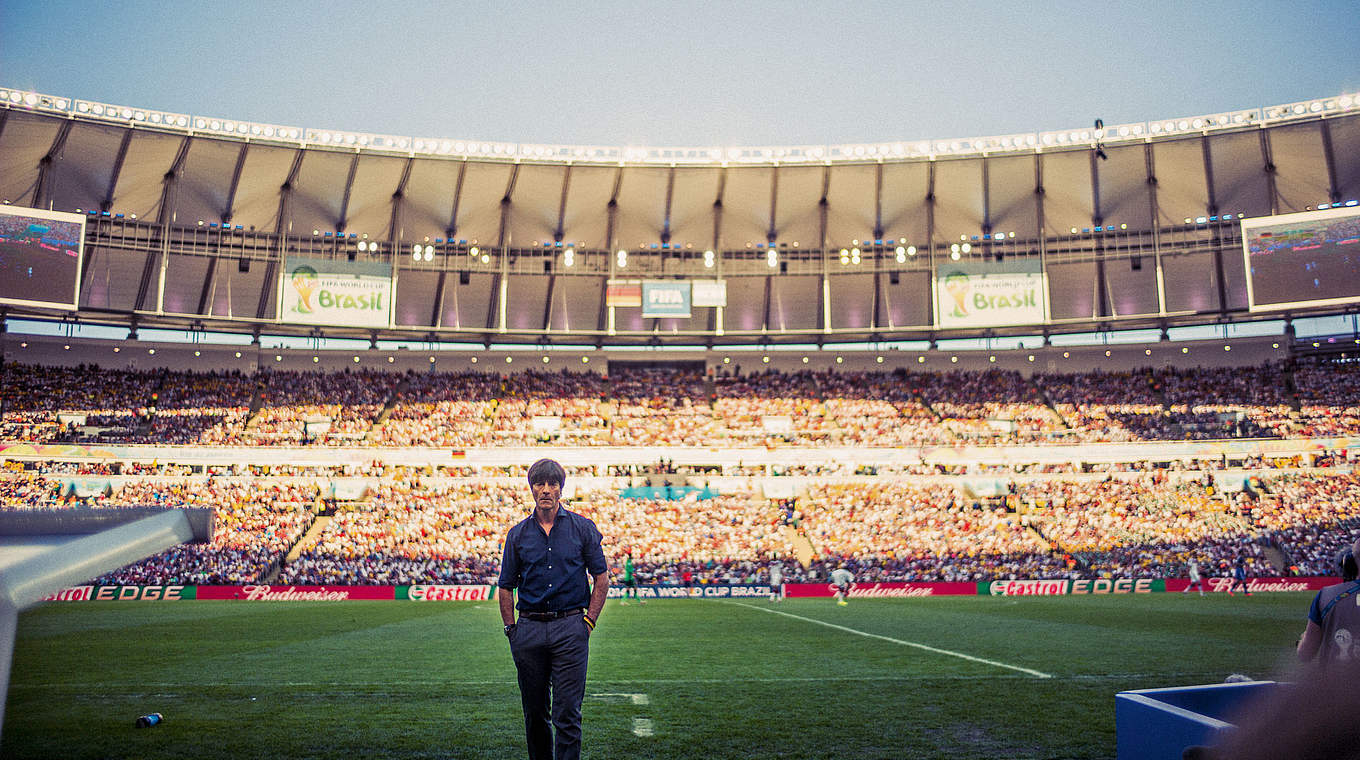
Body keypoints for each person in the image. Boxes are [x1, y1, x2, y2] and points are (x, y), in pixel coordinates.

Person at [498, 458, 610, 760]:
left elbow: (601, 577)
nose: (546, 489)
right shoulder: (517, 534)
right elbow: (505, 585)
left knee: (568, 714)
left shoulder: (583, 528)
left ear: (561, 488)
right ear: (532, 488)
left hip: (571, 628)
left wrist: (588, 622)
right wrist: (512, 630)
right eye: (540, 484)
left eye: (552, 484)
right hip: (529, 630)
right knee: (535, 714)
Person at [1297, 538, 1360, 663]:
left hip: (1337, 680)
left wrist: (1302, 639)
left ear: (1349, 563)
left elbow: (1305, 654)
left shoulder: (1327, 596)